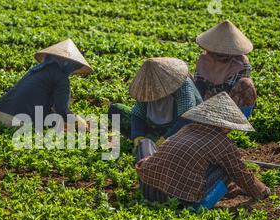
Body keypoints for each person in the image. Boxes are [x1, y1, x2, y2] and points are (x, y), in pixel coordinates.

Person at [135, 92, 270, 209]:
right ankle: (198, 208)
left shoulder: (186, 129)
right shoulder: (223, 143)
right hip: (178, 199)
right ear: (226, 126)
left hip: (148, 189)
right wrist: (262, 191)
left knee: (146, 143)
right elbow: (240, 173)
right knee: (227, 169)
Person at [108, 57, 202, 155]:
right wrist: (138, 137)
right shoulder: (146, 88)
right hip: (155, 128)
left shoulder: (183, 87)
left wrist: (165, 140)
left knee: (184, 144)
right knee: (116, 111)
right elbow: (137, 114)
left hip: (182, 132)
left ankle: (154, 145)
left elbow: (186, 119)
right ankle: (148, 143)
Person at [0, 38, 92, 129]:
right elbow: (61, 109)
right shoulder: (61, 79)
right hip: (16, 120)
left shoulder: (36, 70)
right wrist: (77, 121)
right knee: (61, 124)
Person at [194, 20, 256, 118]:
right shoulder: (204, 60)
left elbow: (232, 91)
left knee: (247, 84)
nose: (221, 55)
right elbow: (199, 88)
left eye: (225, 52)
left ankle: (238, 122)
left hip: (230, 104)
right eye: (217, 52)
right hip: (206, 104)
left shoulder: (241, 64)